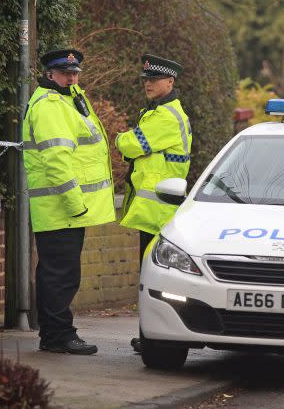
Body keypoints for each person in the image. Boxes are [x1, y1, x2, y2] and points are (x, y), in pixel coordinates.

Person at [22, 49, 115, 355]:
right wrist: (76, 203)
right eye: (65, 73)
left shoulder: (68, 98)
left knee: (58, 272)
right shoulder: (50, 105)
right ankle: (58, 336)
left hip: (65, 208)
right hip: (61, 207)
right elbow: (57, 161)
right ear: (50, 75)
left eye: (75, 73)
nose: (72, 77)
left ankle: (54, 334)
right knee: (60, 275)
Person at [115, 54, 192, 351]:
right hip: (156, 207)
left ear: (170, 82)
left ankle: (153, 339)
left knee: (154, 277)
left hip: (158, 208)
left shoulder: (165, 117)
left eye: (153, 80)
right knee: (150, 276)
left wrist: (123, 140)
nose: (147, 84)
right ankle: (148, 336)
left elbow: (132, 144)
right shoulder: (158, 112)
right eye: (145, 79)